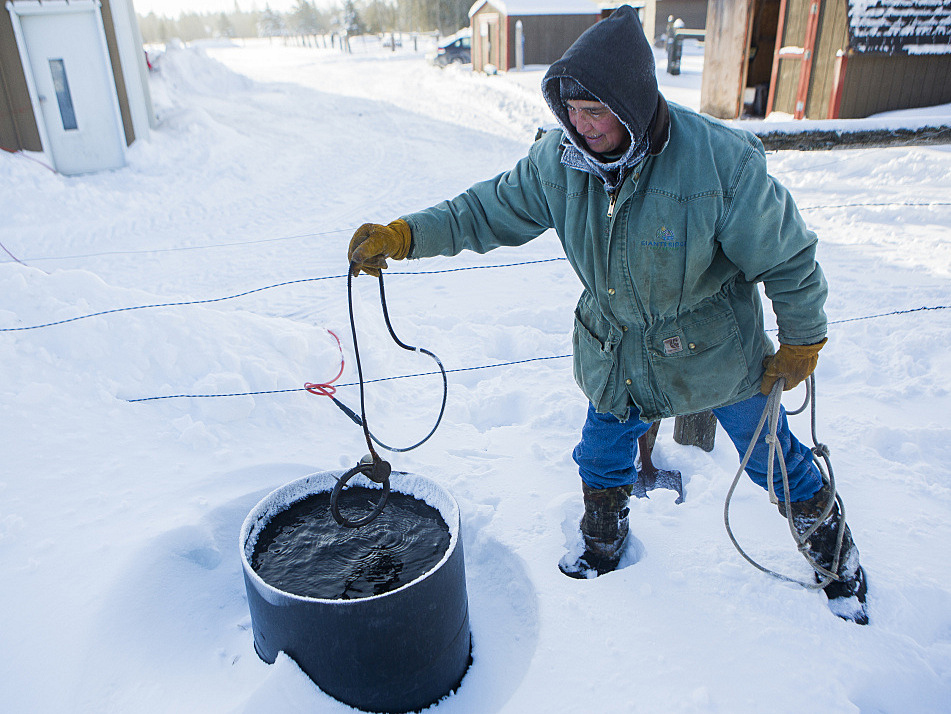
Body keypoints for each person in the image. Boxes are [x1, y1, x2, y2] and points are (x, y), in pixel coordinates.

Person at [347, 6, 867, 623]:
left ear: (634, 105)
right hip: (617, 354)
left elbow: (788, 259)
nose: (580, 125)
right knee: (600, 457)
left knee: (774, 460)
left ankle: (837, 562)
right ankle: (601, 543)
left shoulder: (720, 165)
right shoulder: (558, 162)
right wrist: (405, 236)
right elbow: (482, 212)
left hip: (718, 355)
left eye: (595, 112)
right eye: (571, 111)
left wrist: (802, 340)